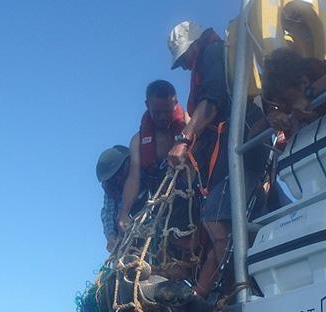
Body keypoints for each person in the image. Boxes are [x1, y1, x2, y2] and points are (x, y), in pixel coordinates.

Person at [167, 21, 268, 298]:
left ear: (195, 45)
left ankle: (240, 285)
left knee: (214, 218)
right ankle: (223, 288)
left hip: (240, 143)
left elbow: (212, 102)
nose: (186, 66)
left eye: (184, 58)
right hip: (239, 149)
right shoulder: (212, 54)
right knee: (221, 218)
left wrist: (184, 140)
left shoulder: (213, 53)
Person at [116, 80, 190, 233]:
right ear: (147, 105)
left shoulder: (188, 124)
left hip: (189, 198)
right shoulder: (137, 141)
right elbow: (133, 179)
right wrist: (123, 212)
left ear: (175, 103)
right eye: (157, 112)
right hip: (160, 205)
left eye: (168, 111)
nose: (163, 117)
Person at [96, 145, 130, 252]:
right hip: (127, 239)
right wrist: (111, 236)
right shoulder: (111, 187)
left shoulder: (144, 173)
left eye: (117, 175)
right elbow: (107, 212)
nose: (116, 180)